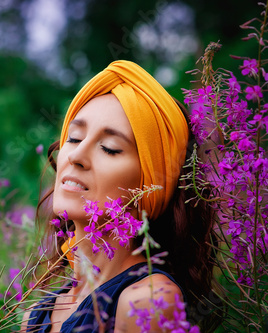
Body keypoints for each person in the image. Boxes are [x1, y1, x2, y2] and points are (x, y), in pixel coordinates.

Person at [21, 60, 219, 332]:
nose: (76, 156)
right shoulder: (35, 314)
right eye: (75, 138)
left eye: (110, 148)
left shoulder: (149, 302)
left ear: (151, 183)